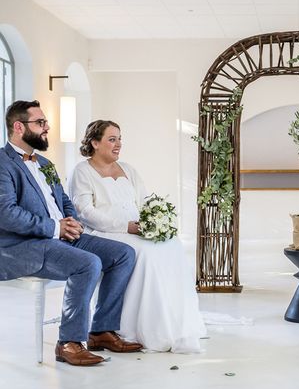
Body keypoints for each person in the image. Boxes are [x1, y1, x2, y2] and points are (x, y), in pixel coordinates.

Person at [0, 100, 142, 366]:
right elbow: (6, 214)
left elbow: (63, 200)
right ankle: (69, 342)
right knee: (87, 263)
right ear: (19, 127)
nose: (47, 128)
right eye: (40, 123)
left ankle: (100, 330)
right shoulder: (2, 163)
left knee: (123, 254)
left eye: (45, 122)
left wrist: (71, 222)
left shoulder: (44, 162)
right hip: (20, 246)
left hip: (61, 237)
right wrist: (55, 227)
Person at [69, 120, 206, 352]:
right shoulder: (82, 171)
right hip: (104, 232)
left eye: (120, 138)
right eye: (112, 139)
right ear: (94, 142)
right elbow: (85, 212)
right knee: (145, 254)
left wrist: (155, 222)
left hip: (136, 228)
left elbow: (144, 202)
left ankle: (171, 322)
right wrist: (127, 227)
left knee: (171, 245)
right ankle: (126, 326)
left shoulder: (129, 169)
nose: (119, 144)